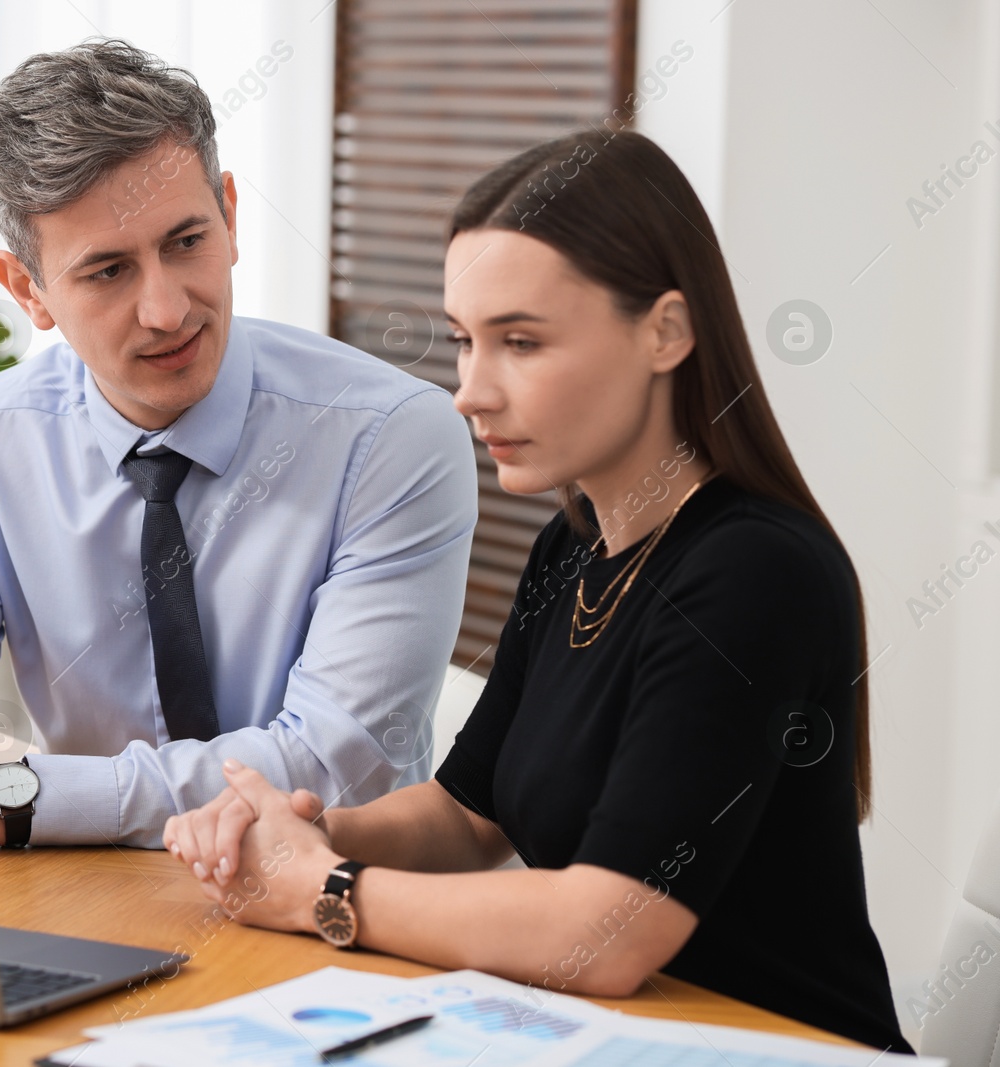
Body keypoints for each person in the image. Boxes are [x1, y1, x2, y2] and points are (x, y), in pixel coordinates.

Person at [164, 129, 911, 1053]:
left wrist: (326, 890)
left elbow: (610, 930)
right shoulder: (575, 543)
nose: (470, 393)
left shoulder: (757, 572)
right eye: (467, 343)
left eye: (520, 342)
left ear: (666, 331)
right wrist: (289, 832)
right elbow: (467, 818)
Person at [0, 40, 476, 851]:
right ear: (27, 290)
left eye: (186, 242)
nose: (168, 310)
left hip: (329, 912)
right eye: (108, 271)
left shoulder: (389, 437)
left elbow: (336, 767)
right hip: (90, 899)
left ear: (232, 217)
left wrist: (19, 799)